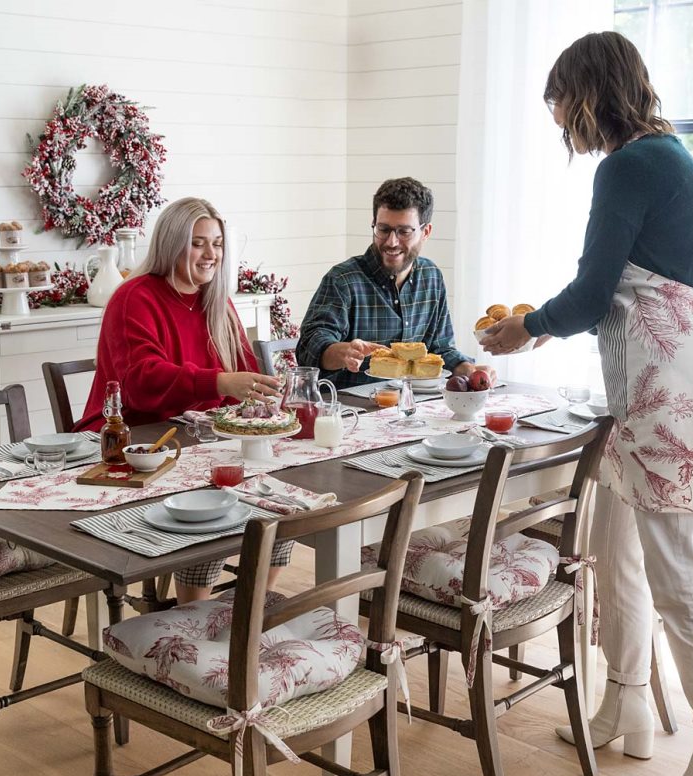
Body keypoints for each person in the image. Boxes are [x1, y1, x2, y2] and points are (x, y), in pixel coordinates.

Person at [481, 32, 693, 776]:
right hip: (661, 391)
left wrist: (524, 329)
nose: (561, 129)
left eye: (561, 109)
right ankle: (624, 699)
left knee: (681, 579)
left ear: (588, 94)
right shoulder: (670, 157)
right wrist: (546, 325)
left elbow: (591, 291)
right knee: (623, 556)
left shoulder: (629, 164)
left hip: (663, 400)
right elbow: (616, 289)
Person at [76, 197, 292, 603]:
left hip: (198, 441)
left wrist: (265, 394)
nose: (211, 254)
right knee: (206, 510)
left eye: (218, 243)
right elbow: (139, 381)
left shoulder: (216, 301)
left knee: (278, 507)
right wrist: (221, 382)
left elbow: (243, 372)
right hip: (135, 442)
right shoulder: (133, 297)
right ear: (171, 244)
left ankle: (249, 611)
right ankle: (194, 618)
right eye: (198, 243)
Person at [297, 177, 495, 388]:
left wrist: (469, 370)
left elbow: (440, 349)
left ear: (425, 232)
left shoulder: (431, 276)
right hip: (353, 410)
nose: (392, 242)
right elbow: (309, 348)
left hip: (413, 407)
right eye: (383, 229)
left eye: (404, 232)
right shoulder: (342, 280)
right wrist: (343, 353)